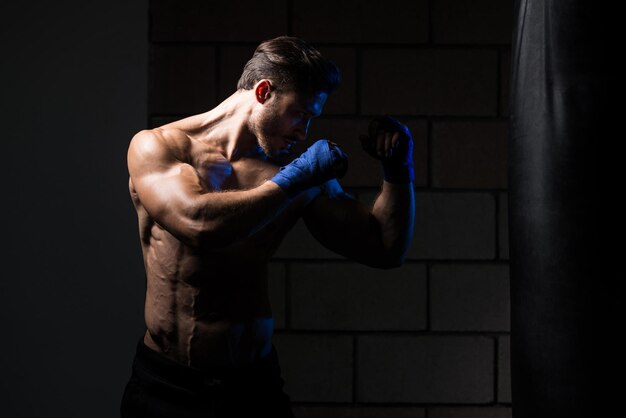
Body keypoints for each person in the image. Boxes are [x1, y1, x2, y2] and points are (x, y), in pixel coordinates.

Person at [120, 35, 415, 418]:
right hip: (166, 385)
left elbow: (384, 247)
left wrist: (398, 170)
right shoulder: (159, 148)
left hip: (251, 387)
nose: (303, 133)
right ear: (263, 92)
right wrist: (295, 180)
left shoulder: (292, 172)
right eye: (299, 114)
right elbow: (198, 223)